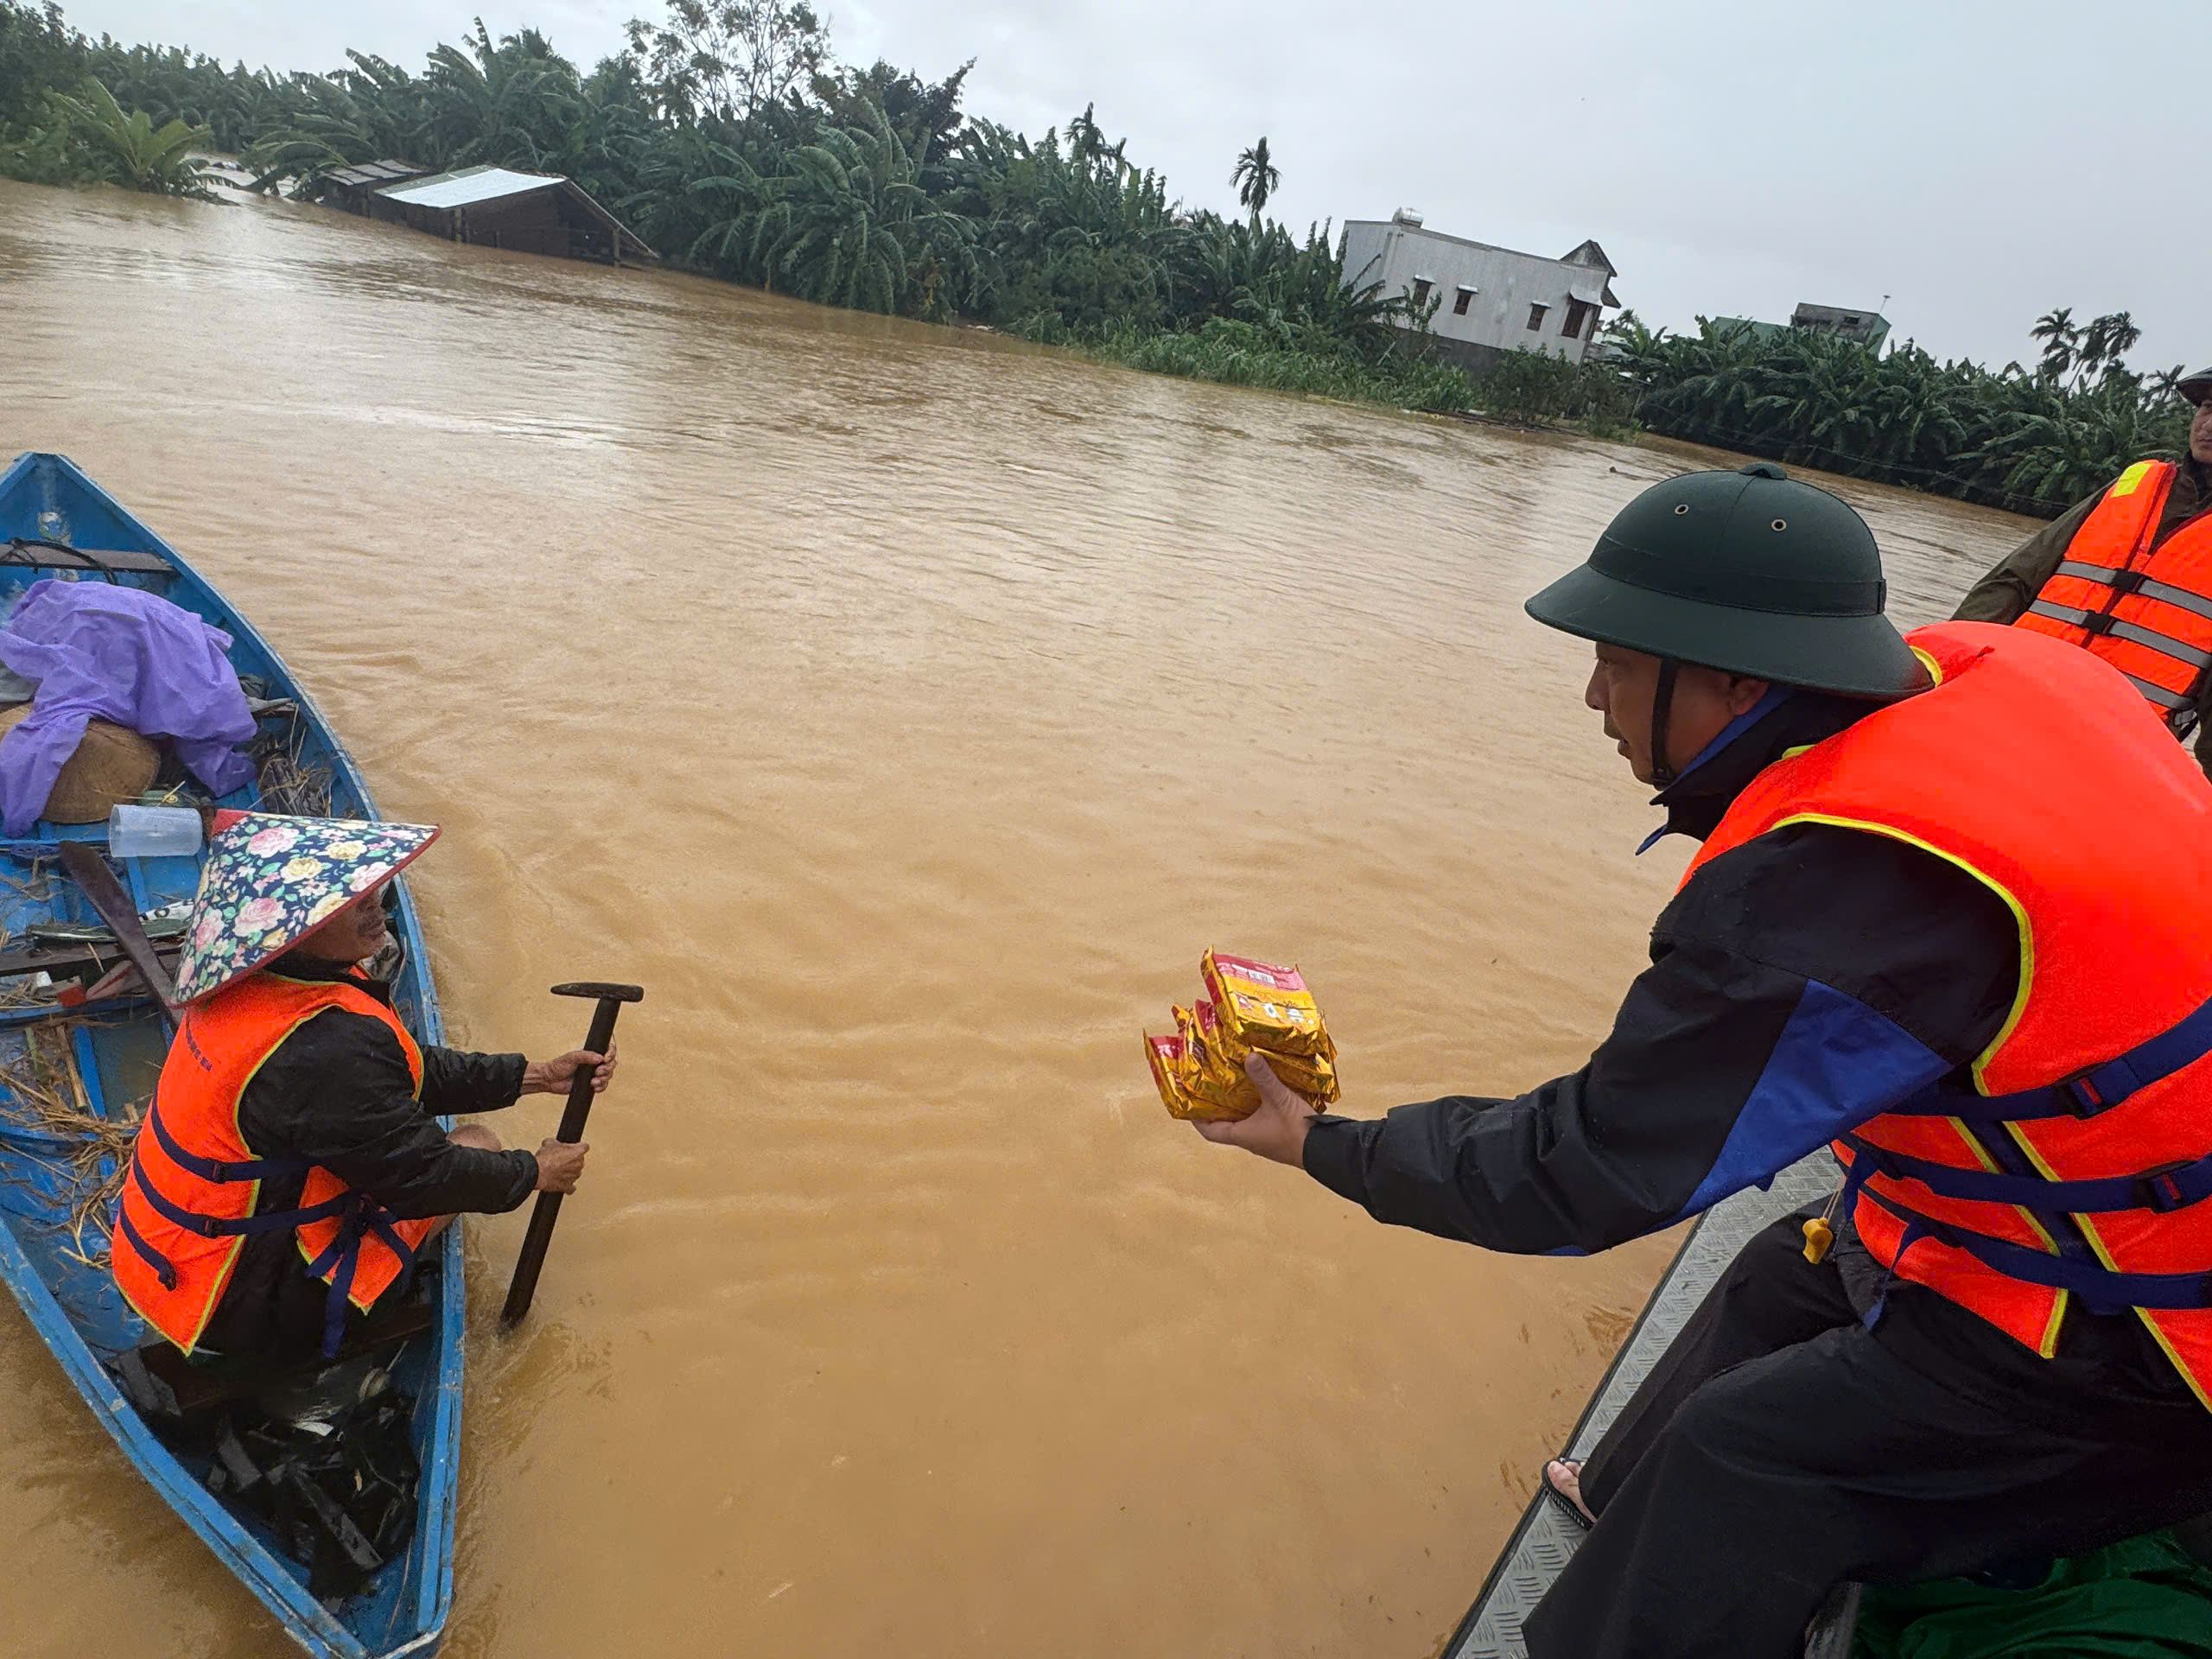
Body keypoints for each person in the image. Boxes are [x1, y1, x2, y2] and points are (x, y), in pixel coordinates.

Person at [1193, 463, 2212, 1658]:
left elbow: (1590, 1167)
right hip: (2110, 1208)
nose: (1591, 696)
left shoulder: (1846, 885)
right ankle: (1621, 1511)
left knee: (1749, 1458)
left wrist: (1323, 1145)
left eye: (1619, 664)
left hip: (2144, 1337)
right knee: (1787, 1274)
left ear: (1734, 680)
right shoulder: (1986, 683)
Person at [112, 810, 615, 1364]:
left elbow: (409, 1070)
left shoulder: (261, 984)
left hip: (161, 1256)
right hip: (240, 1309)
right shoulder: (323, 1048)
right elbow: (425, 1178)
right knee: (480, 1144)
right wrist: (537, 1172)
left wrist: (537, 1076)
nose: (374, 901)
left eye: (370, 887)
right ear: (298, 927)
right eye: (347, 899)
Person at [1955, 365, 2212, 771]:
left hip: (2112, 753)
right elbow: (2014, 580)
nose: (2208, 426)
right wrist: (1950, 663)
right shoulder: (2133, 486)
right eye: (2206, 409)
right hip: (2008, 699)